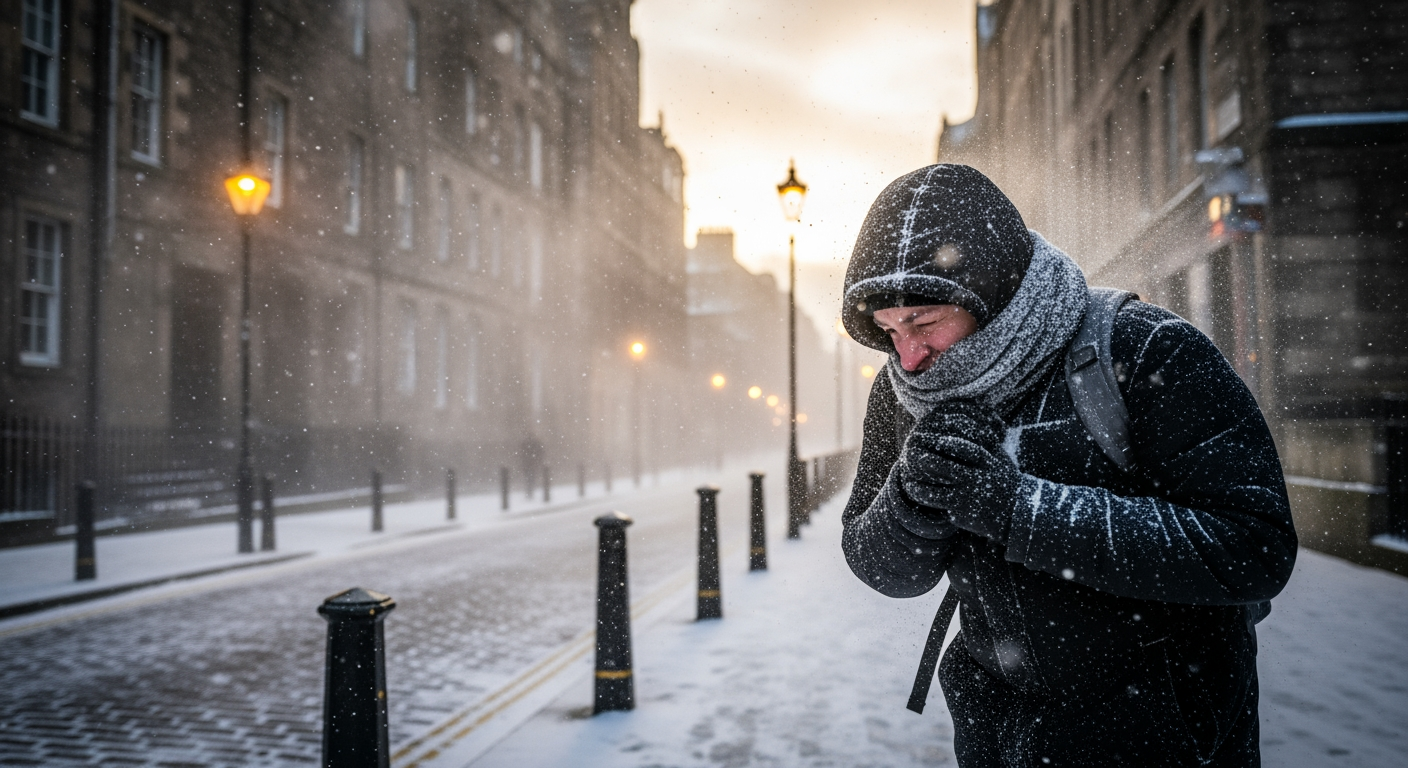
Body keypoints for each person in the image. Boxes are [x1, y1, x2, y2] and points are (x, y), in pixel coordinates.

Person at [839, 164, 1297, 767]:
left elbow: (1252, 547)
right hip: (996, 737)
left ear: (993, 292)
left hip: (1166, 737)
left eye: (924, 322)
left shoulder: (1143, 348)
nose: (910, 354)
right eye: (888, 330)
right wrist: (910, 501)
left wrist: (1018, 508)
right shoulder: (902, 396)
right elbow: (882, 569)